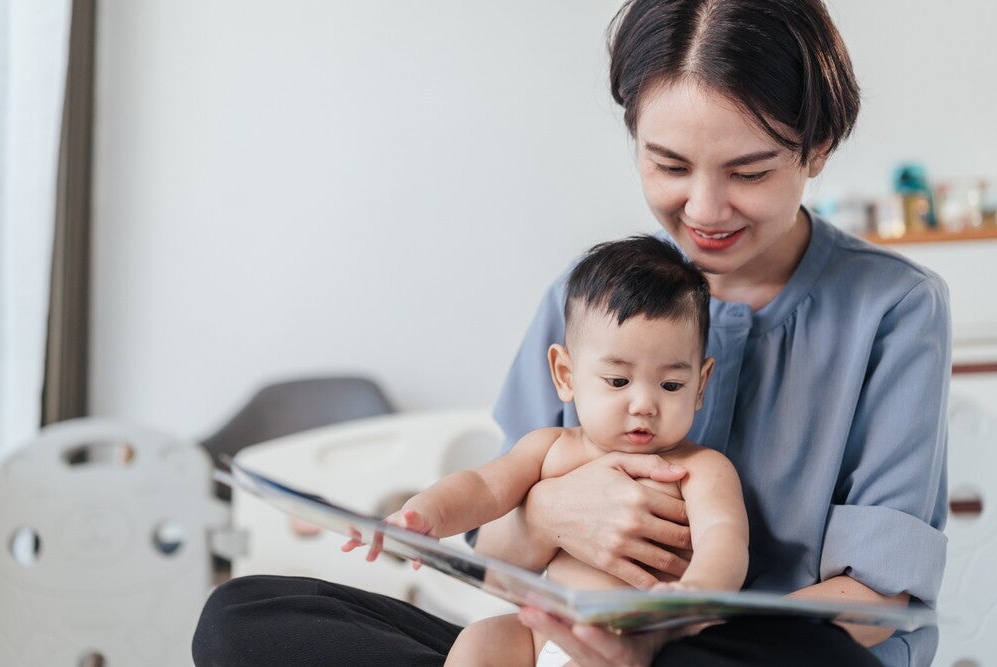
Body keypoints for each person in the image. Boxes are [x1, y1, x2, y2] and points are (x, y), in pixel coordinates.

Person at [192, 1, 949, 665]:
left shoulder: (892, 307)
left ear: (816, 150)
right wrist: (551, 513)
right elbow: (495, 555)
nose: (705, 208)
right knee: (246, 616)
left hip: (744, 650)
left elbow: (875, 603)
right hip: (557, 642)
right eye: (669, 165)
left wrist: (662, 632)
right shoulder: (590, 297)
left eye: (748, 172)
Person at [348, 236, 748, 667]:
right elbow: (483, 487)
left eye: (671, 385)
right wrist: (423, 517)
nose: (644, 404)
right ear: (566, 374)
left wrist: (691, 596)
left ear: (701, 385)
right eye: (618, 381)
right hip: (541, 638)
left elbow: (724, 538)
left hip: (635, 645)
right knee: (480, 640)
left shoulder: (701, 469)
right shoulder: (550, 449)